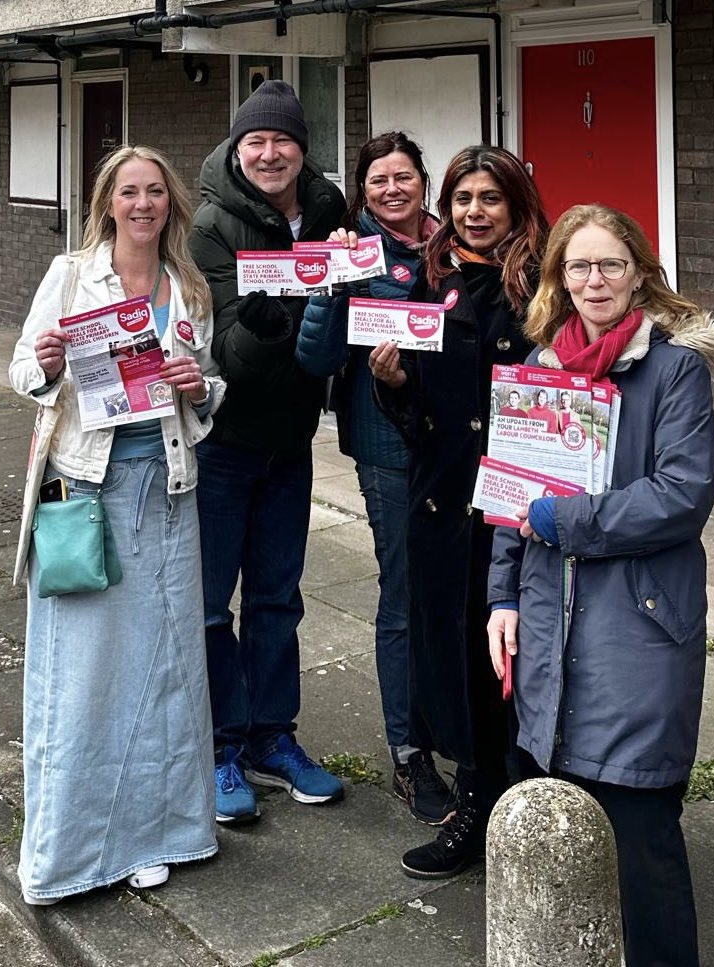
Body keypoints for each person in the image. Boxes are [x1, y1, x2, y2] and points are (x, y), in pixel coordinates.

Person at [487, 204, 714, 966]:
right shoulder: (537, 372)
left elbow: (682, 494)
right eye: (579, 266)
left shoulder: (676, 371)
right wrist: (501, 597)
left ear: (638, 275)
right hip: (546, 621)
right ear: (559, 277)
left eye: (610, 265)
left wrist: (563, 518)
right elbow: (510, 499)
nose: (595, 280)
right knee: (555, 814)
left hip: (640, 626)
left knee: (639, 826)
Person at [9, 145, 225, 904]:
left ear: (171, 203)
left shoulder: (187, 285)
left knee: (164, 674)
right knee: (84, 677)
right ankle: (69, 854)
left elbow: (209, 388)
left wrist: (201, 385)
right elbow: (22, 373)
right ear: (108, 202)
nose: (143, 204)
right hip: (88, 498)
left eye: (155, 192)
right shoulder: (71, 274)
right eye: (129, 192)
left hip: (168, 493)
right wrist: (48, 361)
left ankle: (161, 833)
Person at [370, 145, 548, 878]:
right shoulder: (427, 284)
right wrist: (396, 385)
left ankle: (535, 809)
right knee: (460, 659)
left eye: (491, 199)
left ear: (516, 205)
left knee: (523, 663)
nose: (475, 213)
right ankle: (475, 804)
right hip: (446, 504)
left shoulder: (546, 287)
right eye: (464, 198)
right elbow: (420, 421)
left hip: (521, 510)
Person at [188, 80, 347, 824]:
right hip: (224, 443)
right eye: (256, 140)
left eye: (283, 140)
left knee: (279, 598)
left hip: (291, 442)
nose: (270, 152)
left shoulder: (328, 211)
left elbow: (343, 311)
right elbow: (225, 351)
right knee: (213, 607)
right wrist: (260, 321)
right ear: (238, 146)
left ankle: (272, 737)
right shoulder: (210, 223)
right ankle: (220, 744)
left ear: (302, 149)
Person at [295, 132, 454, 826]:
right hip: (388, 442)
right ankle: (409, 750)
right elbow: (317, 357)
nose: (393, 189)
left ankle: (461, 729)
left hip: (454, 441)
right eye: (379, 180)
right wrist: (333, 285)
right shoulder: (350, 250)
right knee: (405, 592)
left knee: (462, 588)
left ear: (424, 181)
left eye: (405, 177)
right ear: (363, 190)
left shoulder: (452, 243)